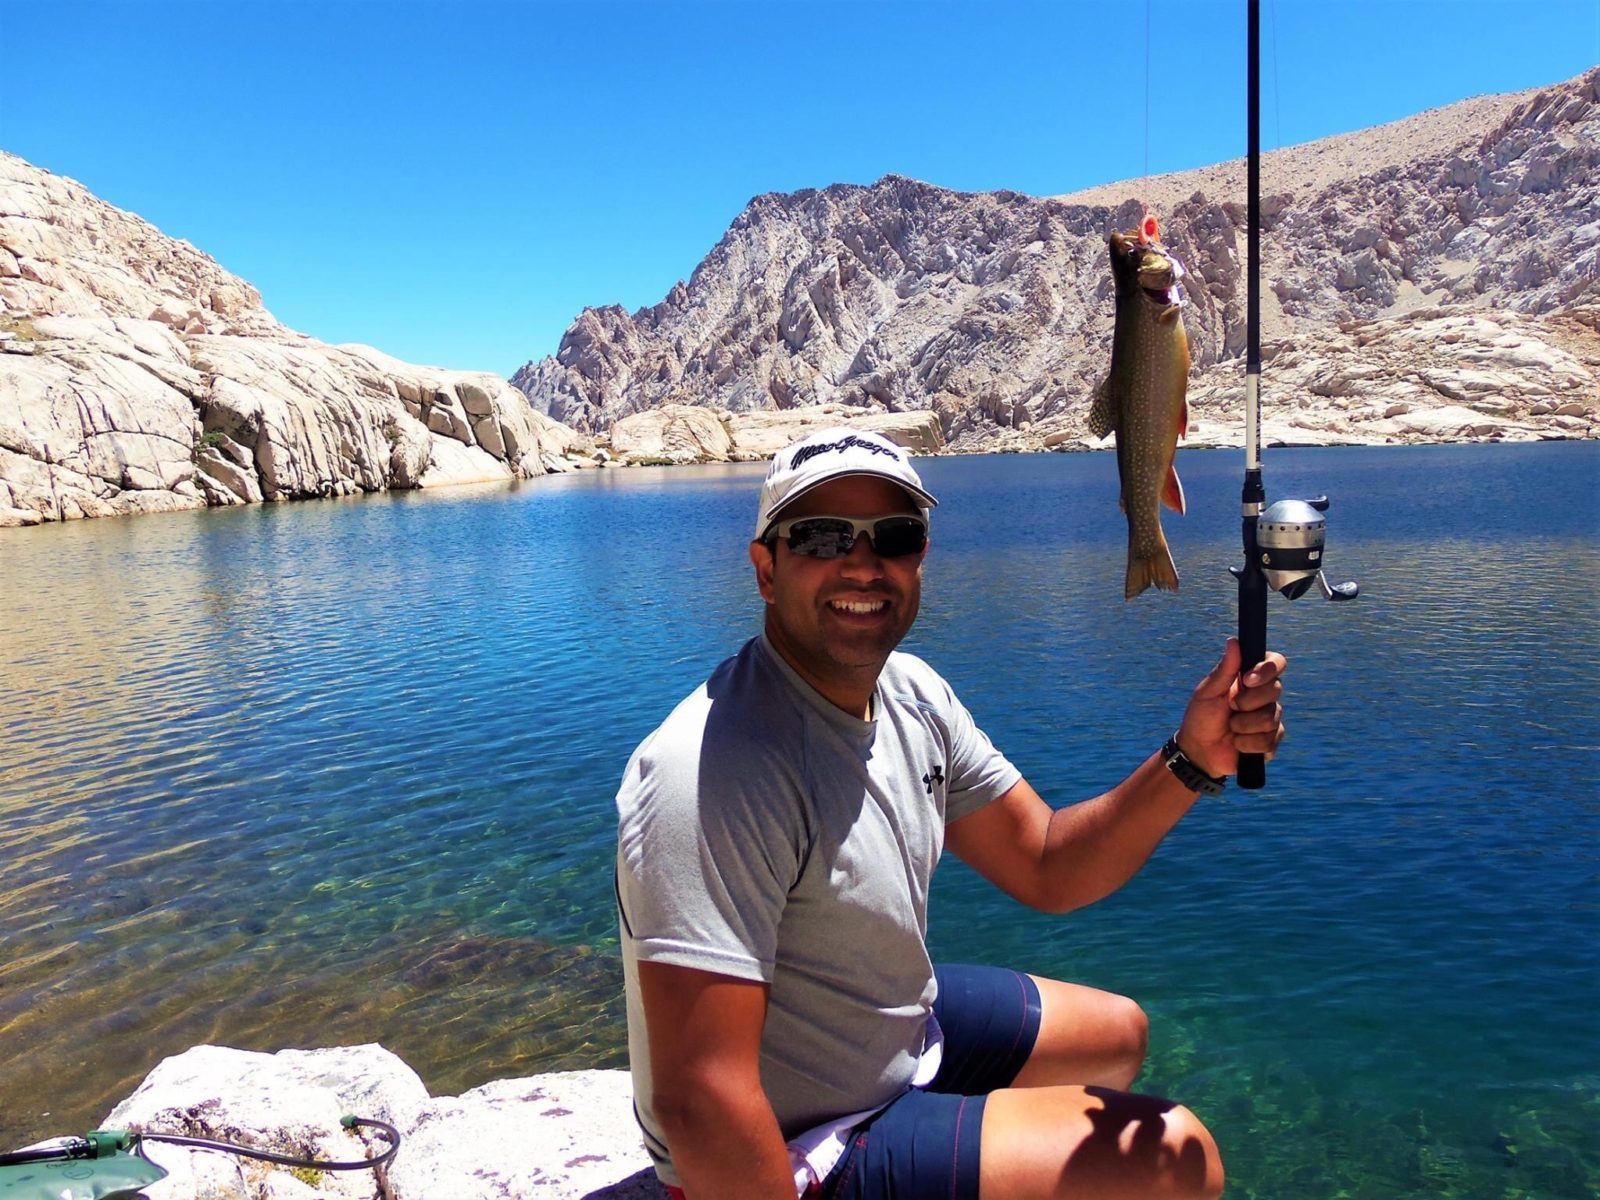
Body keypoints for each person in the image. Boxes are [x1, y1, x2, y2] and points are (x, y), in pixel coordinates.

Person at [615, 427, 1286, 1200]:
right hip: (804, 1138)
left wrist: (1193, 758)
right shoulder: (708, 769)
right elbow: (702, 1101)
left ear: (921, 557)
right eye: (822, 537)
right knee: (1179, 1159)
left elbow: (1048, 862)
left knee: (1115, 1035)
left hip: (892, 1038)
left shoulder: (912, 694)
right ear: (765, 569)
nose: (861, 564)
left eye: (893, 537)